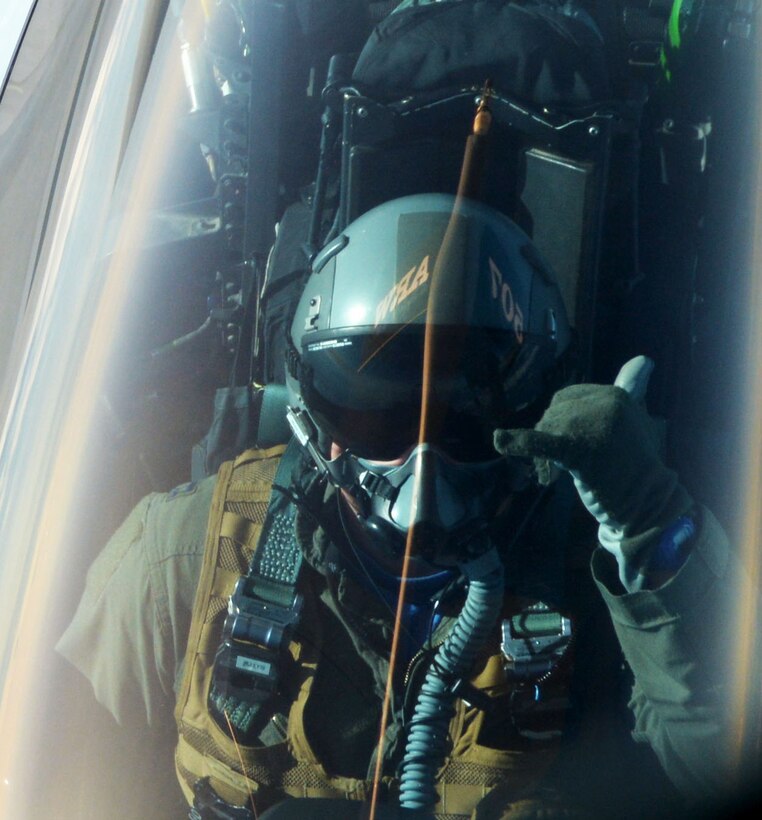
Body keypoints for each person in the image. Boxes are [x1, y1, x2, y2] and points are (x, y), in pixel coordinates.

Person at [58, 190, 745, 819]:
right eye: (380, 413)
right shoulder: (183, 554)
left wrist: (653, 531)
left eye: (467, 420)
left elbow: (717, 764)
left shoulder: (591, 577)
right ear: (316, 420)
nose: (424, 466)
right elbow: (54, 765)